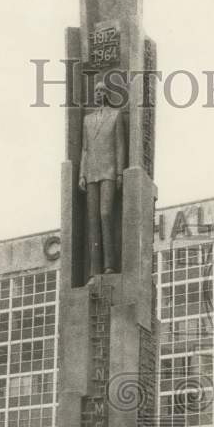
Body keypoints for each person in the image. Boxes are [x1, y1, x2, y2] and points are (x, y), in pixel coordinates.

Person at [78, 78, 127, 278]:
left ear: (106, 94)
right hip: (91, 172)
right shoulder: (87, 120)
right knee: (92, 219)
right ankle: (94, 267)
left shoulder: (115, 116)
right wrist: (82, 173)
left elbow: (120, 146)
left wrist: (119, 172)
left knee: (106, 213)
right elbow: (85, 149)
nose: (98, 94)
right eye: (96, 92)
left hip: (108, 170)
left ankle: (109, 264)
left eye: (101, 91)